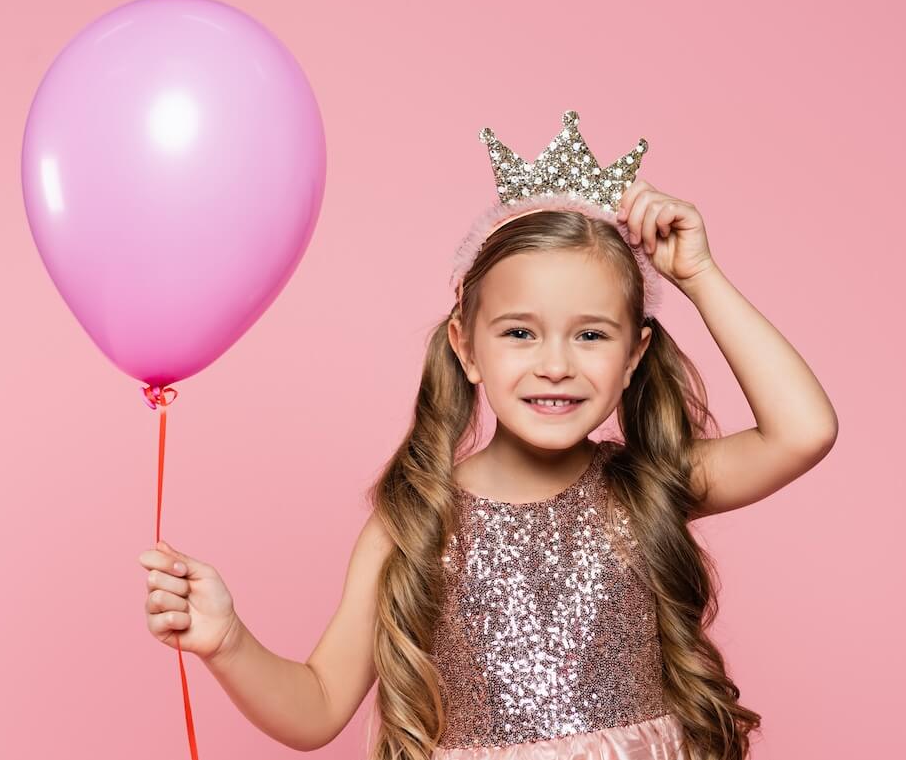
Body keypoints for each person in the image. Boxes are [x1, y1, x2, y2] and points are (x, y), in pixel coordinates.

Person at [137, 110, 838, 759]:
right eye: (520, 332)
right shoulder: (415, 521)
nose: (555, 363)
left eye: (591, 333)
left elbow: (802, 431)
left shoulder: (646, 487)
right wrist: (227, 641)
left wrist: (701, 275)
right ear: (467, 346)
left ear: (633, 355)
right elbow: (318, 705)